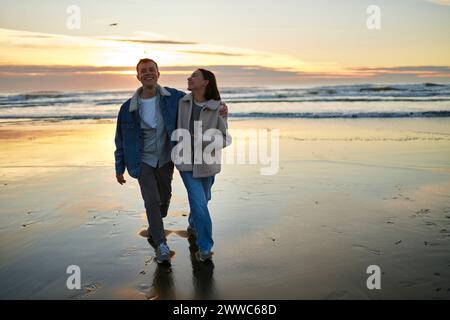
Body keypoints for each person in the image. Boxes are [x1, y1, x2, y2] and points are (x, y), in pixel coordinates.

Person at [114, 59, 228, 265]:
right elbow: (120, 139)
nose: (148, 73)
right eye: (143, 71)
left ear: (158, 73)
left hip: (166, 158)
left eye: (151, 70)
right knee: (151, 200)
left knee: (164, 200)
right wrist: (119, 166)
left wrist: (220, 107)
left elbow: (199, 99)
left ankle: (176, 221)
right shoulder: (127, 108)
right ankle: (162, 244)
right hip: (143, 160)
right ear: (137, 76)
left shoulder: (173, 97)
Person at [173, 68, 231, 262]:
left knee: (204, 198)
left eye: (194, 76)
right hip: (186, 162)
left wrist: (204, 141)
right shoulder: (182, 102)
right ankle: (205, 248)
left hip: (208, 163)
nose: (189, 78)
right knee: (199, 201)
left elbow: (224, 138)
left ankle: (192, 224)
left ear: (206, 82)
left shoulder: (218, 107)